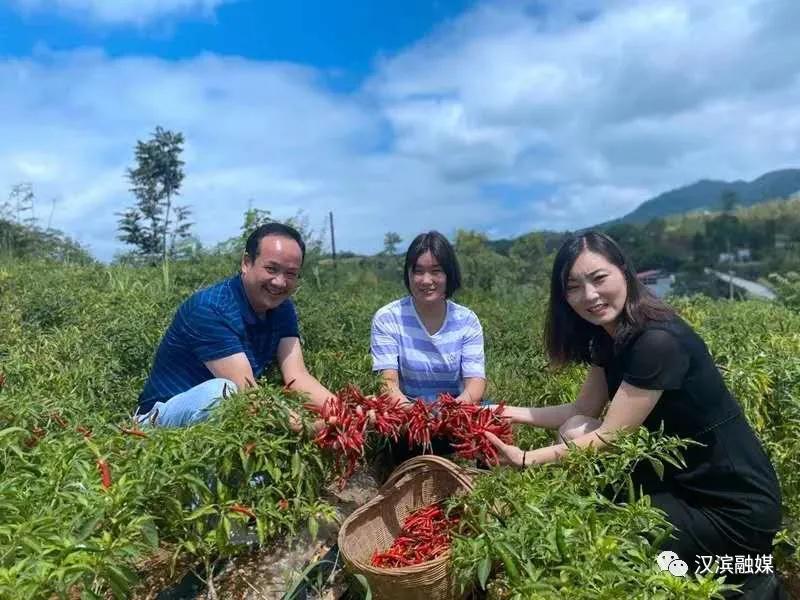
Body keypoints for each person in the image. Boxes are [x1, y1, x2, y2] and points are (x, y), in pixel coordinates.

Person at [485, 231, 784, 598]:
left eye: (599, 278)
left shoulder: (657, 342)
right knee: (576, 427)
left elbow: (611, 438)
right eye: (574, 286)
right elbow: (582, 410)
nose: (590, 295)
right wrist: (504, 412)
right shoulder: (609, 337)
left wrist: (526, 460)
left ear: (624, 272)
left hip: (731, 504)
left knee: (620, 536)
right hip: (684, 480)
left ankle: (749, 579)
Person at [134, 223, 332, 427]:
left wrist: (344, 414)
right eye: (271, 269)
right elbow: (247, 392)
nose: (280, 282)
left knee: (232, 395)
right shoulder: (209, 309)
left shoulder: (282, 308)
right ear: (246, 263)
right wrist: (308, 428)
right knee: (222, 392)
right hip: (160, 417)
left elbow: (297, 375)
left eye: (290, 273)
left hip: (220, 412)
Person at [371, 231, 486, 461]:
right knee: (378, 419)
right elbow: (388, 383)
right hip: (407, 415)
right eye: (418, 271)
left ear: (448, 274)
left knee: (490, 419)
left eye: (436, 271)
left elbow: (475, 384)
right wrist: (418, 417)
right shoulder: (387, 318)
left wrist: (447, 415)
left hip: (454, 411)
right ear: (409, 274)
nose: (426, 280)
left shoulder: (467, 320)